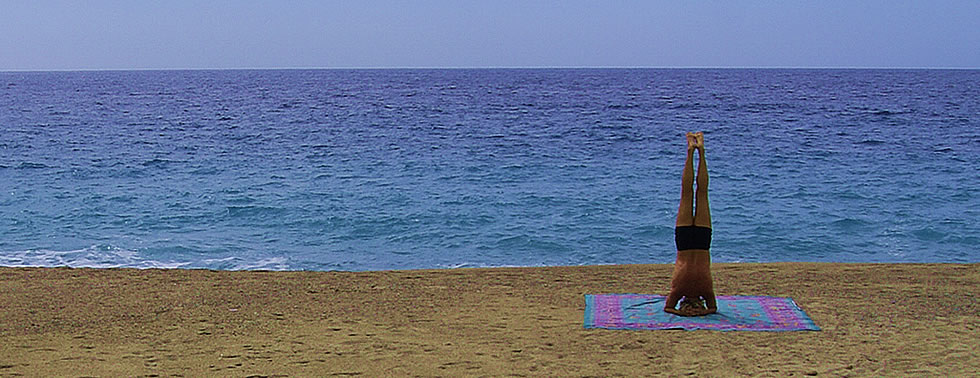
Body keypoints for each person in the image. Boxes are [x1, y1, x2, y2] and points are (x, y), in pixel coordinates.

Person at [664, 132, 717, 316]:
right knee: (694, 193)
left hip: (694, 243)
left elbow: (668, 308)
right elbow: (713, 308)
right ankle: (696, 151)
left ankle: (695, 151)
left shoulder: (688, 290)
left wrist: (689, 314)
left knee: (696, 193)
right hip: (693, 243)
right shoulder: (687, 291)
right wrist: (691, 313)